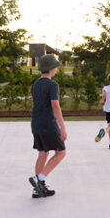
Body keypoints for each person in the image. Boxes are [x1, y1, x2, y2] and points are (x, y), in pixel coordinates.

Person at [29, 54, 68, 199]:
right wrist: (62, 127)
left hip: (36, 123)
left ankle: (37, 189)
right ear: (52, 68)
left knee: (43, 153)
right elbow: (55, 105)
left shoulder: (36, 83)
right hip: (48, 123)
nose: (57, 68)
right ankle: (39, 179)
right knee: (61, 152)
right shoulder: (52, 85)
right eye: (56, 66)